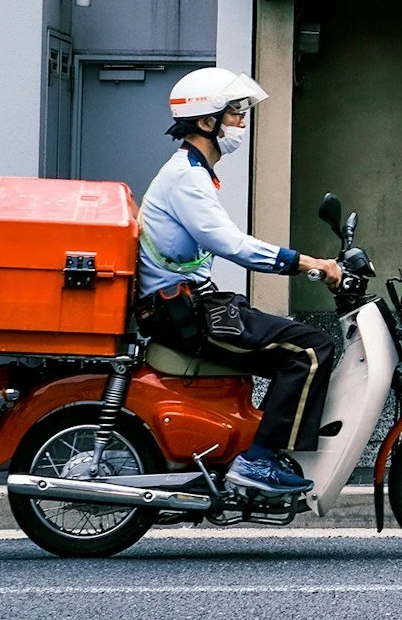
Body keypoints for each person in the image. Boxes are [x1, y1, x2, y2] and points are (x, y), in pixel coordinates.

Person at [136, 68, 342, 497]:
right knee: (310, 348)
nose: (241, 125)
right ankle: (259, 460)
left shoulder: (195, 173)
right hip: (182, 315)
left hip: (191, 306)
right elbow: (229, 243)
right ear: (206, 122)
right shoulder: (186, 179)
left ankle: (255, 445)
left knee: (285, 342)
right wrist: (307, 263)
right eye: (234, 115)